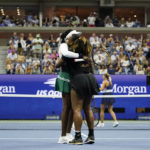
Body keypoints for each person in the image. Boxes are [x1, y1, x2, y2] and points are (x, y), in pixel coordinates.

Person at [63, 30, 99, 144]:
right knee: (87, 109)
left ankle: (78, 137)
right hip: (90, 78)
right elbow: (92, 70)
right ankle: (91, 136)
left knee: (76, 109)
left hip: (78, 80)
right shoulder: (87, 56)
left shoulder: (69, 55)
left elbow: (57, 64)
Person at [55, 29, 83, 144]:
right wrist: (80, 55)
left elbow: (76, 60)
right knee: (66, 107)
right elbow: (66, 55)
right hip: (65, 77)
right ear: (68, 37)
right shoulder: (63, 45)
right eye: (74, 36)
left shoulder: (75, 46)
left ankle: (68, 133)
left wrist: (82, 57)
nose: (77, 38)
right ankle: (62, 136)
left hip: (73, 77)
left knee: (73, 108)